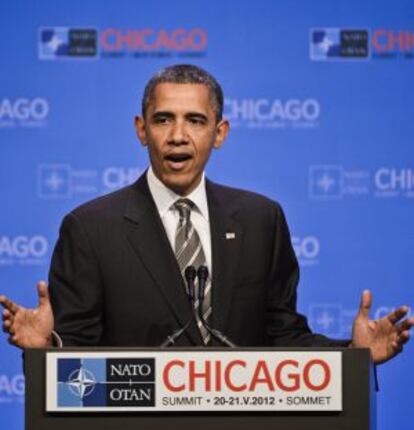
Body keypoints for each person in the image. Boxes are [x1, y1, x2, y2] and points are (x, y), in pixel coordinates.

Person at [0, 64, 412, 363]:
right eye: (164, 120)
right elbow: (77, 352)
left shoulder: (260, 220)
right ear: (142, 130)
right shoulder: (90, 228)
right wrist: (48, 348)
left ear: (220, 133)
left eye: (195, 121)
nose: (178, 136)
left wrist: (353, 355)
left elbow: (283, 336)